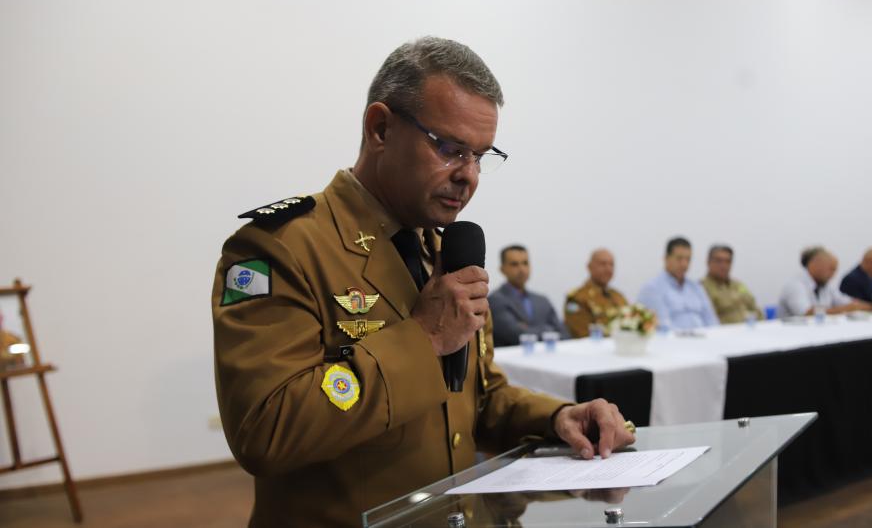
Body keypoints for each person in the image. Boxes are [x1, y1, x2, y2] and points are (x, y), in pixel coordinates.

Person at [211, 37, 635, 528]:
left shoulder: (445, 250)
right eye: (451, 149)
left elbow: (474, 396)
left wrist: (556, 417)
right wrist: (423, 337)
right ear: (380, 128)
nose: (469, 176)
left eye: (480, 155)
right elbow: (266, 432)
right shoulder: (280, 248)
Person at [488, 245, 569, 347]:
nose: (522, 269)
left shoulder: (542, 300)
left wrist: (527, 329)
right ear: (502, 269)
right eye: (514, 264)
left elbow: (564, 334)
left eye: (525, 263)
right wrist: (548, 329)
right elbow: (516, 335)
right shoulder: (495, 300)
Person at [637, 237, 719, 331]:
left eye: (688, 259)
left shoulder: (696, 287)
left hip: (705, 340)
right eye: (679, 259)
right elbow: (663, 327)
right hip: (674, 343)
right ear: (666, 259)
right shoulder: (652, 289)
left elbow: (712, 320)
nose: (684, 264)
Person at [778, 246, 871, 317]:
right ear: (814, 265)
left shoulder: (826, 286)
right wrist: (846, 309)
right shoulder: (794, 286)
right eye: (831, 269)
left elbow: (848, 302)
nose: (833, 274)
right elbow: (806, 313)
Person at [564, 248, 628, 337]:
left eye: (611, 265)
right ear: (589, 267)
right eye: (603, 264)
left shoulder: (618, 297)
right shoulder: (577, 298)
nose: (608, 269)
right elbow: (582, 334)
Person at [700, 245, 763, 324]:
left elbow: (754, 306)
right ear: (708, 262)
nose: (724, 266)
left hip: (753, 329)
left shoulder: (738, 284)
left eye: (728, 261)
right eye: (719, 261)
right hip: (726, 333)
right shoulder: (701, 288)